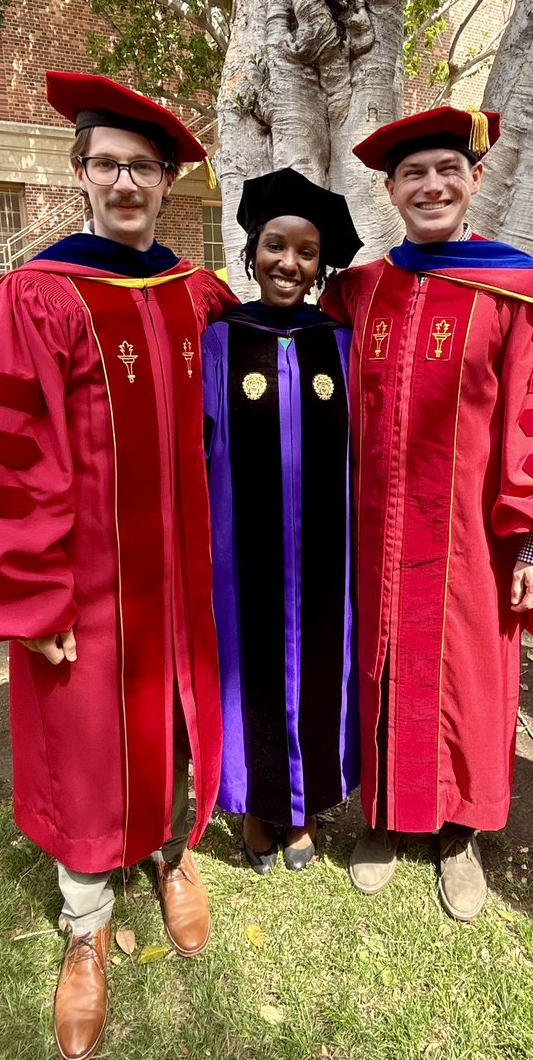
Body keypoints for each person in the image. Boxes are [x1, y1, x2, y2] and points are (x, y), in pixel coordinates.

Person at [0, 70, 238, 1060]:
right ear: (79, 174)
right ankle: (86, 930)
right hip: (83, 592)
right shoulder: (37, 297)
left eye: (145, 167)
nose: (127, 183)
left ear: (169, 180)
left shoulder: (203, 298)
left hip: (188, 586)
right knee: (87, 754)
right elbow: (2, 455)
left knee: (182, 727)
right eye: (110, 165)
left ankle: (175, 856)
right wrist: (30, 594)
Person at [321, 106, 533, 921]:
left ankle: (458, 834)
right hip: (372, 542)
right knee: (374, 672)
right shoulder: (359, 294)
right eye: (414, 173)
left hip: (474, 547)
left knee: (470, 686)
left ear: (475, 181)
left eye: (448, 169)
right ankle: (381, 816)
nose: (432, 184)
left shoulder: (520, 291)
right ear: (391, 191)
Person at [203, 168, 362, 873]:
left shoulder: (343, 343)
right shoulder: (219, 342)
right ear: (251, 251)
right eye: (275, 246)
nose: (288, 264)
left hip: (329, 557)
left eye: (305, 252)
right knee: (251, 674)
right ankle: (257, 808)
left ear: (321, 265)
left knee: (322, 671)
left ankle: (302, 810)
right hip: (244, 555)